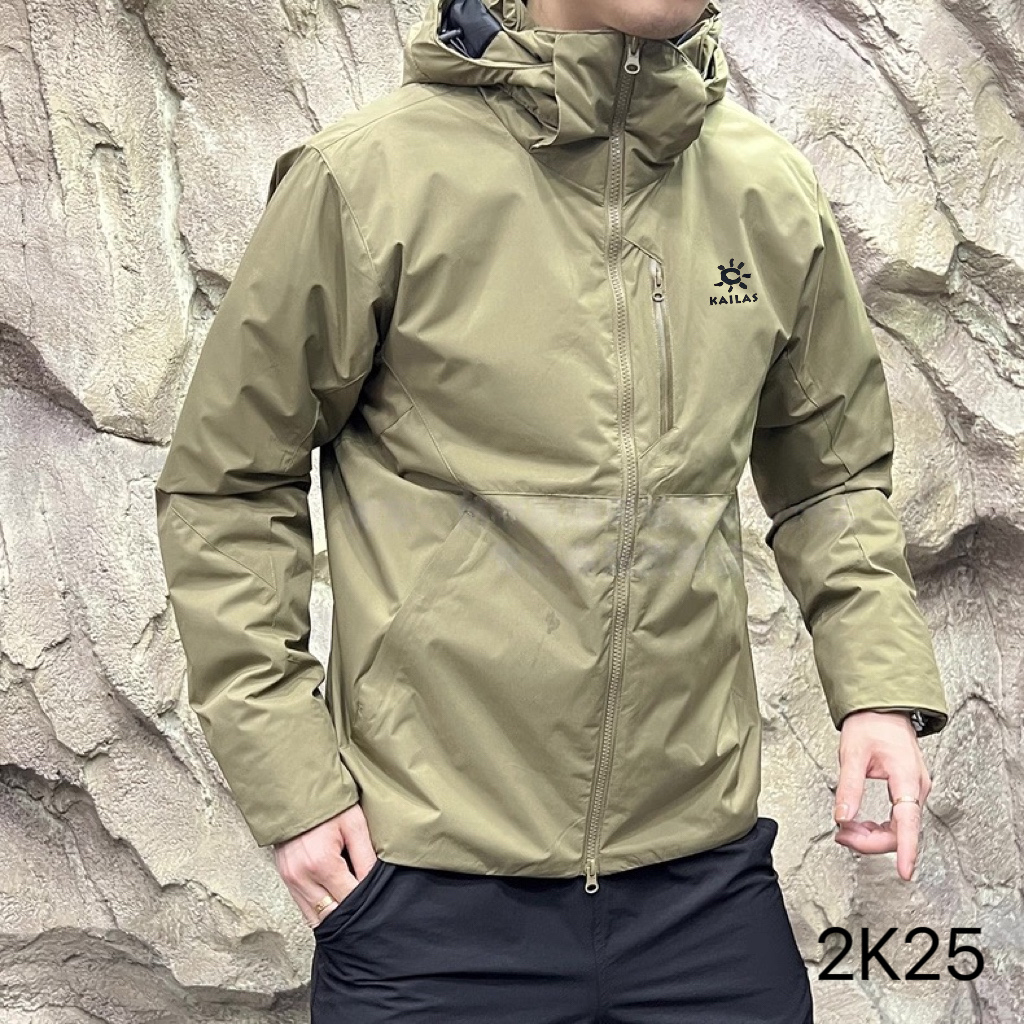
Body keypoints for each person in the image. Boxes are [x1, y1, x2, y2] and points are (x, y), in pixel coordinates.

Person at [154, 0, 950, 1020]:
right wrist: (294, 785)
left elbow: (831, 476)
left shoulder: (766, 191)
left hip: (703, 890)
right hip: (426, 897)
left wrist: (875, 686)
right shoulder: (366, 180)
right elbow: (228, 483)